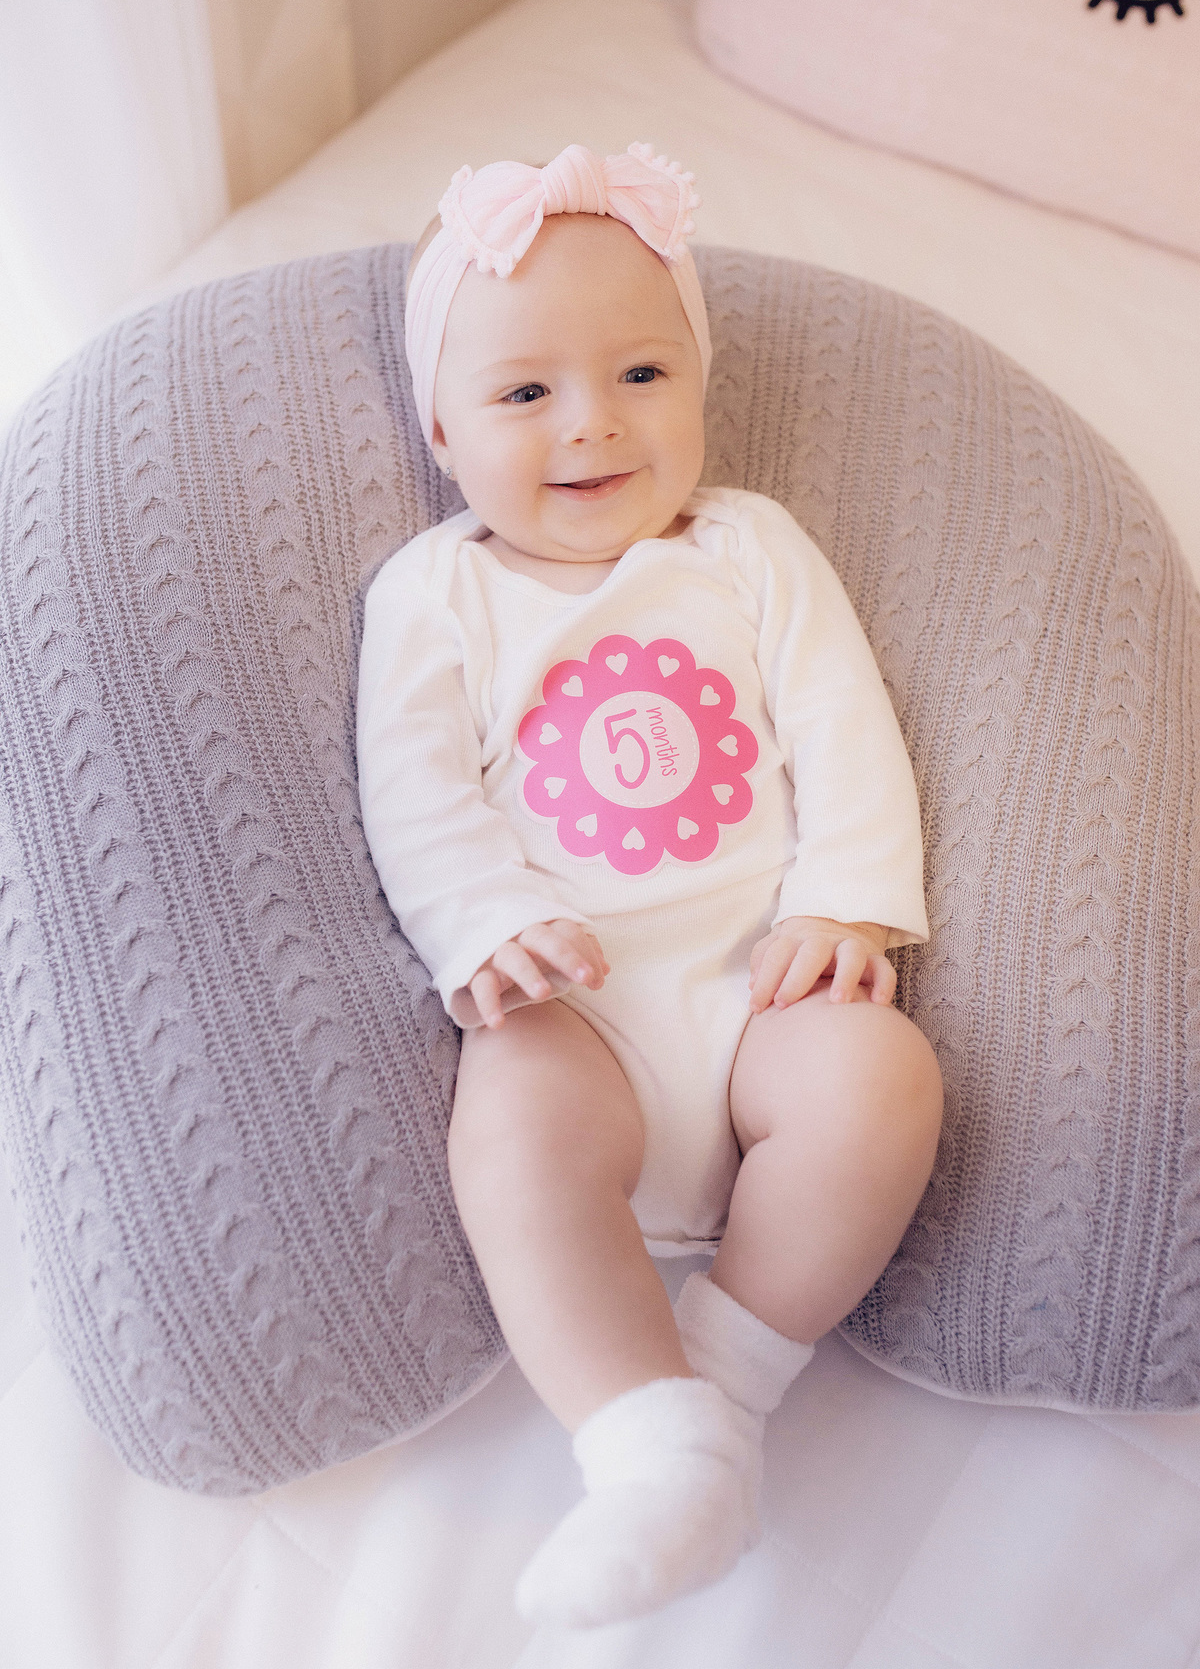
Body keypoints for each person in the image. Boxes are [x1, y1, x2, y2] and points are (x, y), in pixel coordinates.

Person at [357, 143, 943, 1628]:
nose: (591, 426)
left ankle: (728, 1398)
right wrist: (487, 925)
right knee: (515, 1116)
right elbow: (412, 791)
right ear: (439, 423)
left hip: (763, 989)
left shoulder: (748, 551)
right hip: (585, 1007)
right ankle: (641, 1438)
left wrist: (849, 901)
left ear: (699, 382)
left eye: (639, 373)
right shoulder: (440, 593)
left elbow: (841, 724)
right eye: (525, 393)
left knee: (884, 1079)